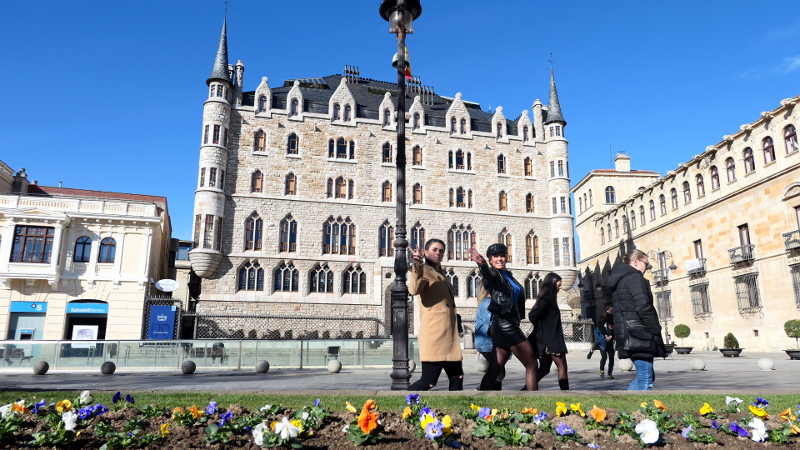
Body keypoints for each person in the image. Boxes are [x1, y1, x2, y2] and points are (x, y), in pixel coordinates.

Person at [469, 244, 539, 391]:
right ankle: (534, 401)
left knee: (497, 367)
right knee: (531, 363)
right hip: (505, 326)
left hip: (507, 324)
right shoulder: (494, 275)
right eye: (495, 256)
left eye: (502, 255)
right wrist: (481, 264)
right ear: (490, 260)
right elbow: (489, 276)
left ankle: (481, 395)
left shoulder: (508, 275)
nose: (499, 259)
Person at [408, 239, 463, 390]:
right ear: (425, 252)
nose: (438, 253)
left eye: (441, 250)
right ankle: (402, 401)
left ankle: (456, 412)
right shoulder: (423, 270)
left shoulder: (440, 273)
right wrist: (417, 265)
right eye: (434, 249)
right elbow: (414, 289)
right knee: (429, 381)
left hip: (450, 336)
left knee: (457, 378)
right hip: (435, 335)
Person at [607, 248, 666, 390]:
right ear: (635, 262)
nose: (647, 268)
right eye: (645, 264)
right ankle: (632, 410)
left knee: (647, 377)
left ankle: (641, 409)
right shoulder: (634, 278)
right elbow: (643, 306)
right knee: (645, 379)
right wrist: (655, 329)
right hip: (639, 334)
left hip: (629, 332)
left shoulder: (621, 279)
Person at [528, 272, 570, 390]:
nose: (559, 287)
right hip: (552, 341)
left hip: (548, 340)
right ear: (552, 283)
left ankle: (525, 389)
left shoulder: (549, 298)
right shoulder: (547, 298)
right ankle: (566, 393)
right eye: (558, 285)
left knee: (544, 369)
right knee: (562, 367)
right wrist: (544, 329)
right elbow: (532, 315)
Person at [474, 294, 502, 390]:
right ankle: (483, 389)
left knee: (497, 369)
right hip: (487, 341)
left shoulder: (488, 301)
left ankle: (493, 391)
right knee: (496, 367)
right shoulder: (489, 302)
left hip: (487, 341)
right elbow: (488, 325)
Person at [599, 304, 615, 379]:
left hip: (610, 341)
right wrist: (605, 335)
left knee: (611, 357)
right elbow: (600, 328)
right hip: (603, 340)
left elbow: (613, 328)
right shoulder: (602, 317)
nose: (612, 310)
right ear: (608, 309)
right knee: (604, 357)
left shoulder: (613, 317)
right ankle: (602, 371)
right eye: (611, 309)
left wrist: (612, 336)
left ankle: (609, 373)